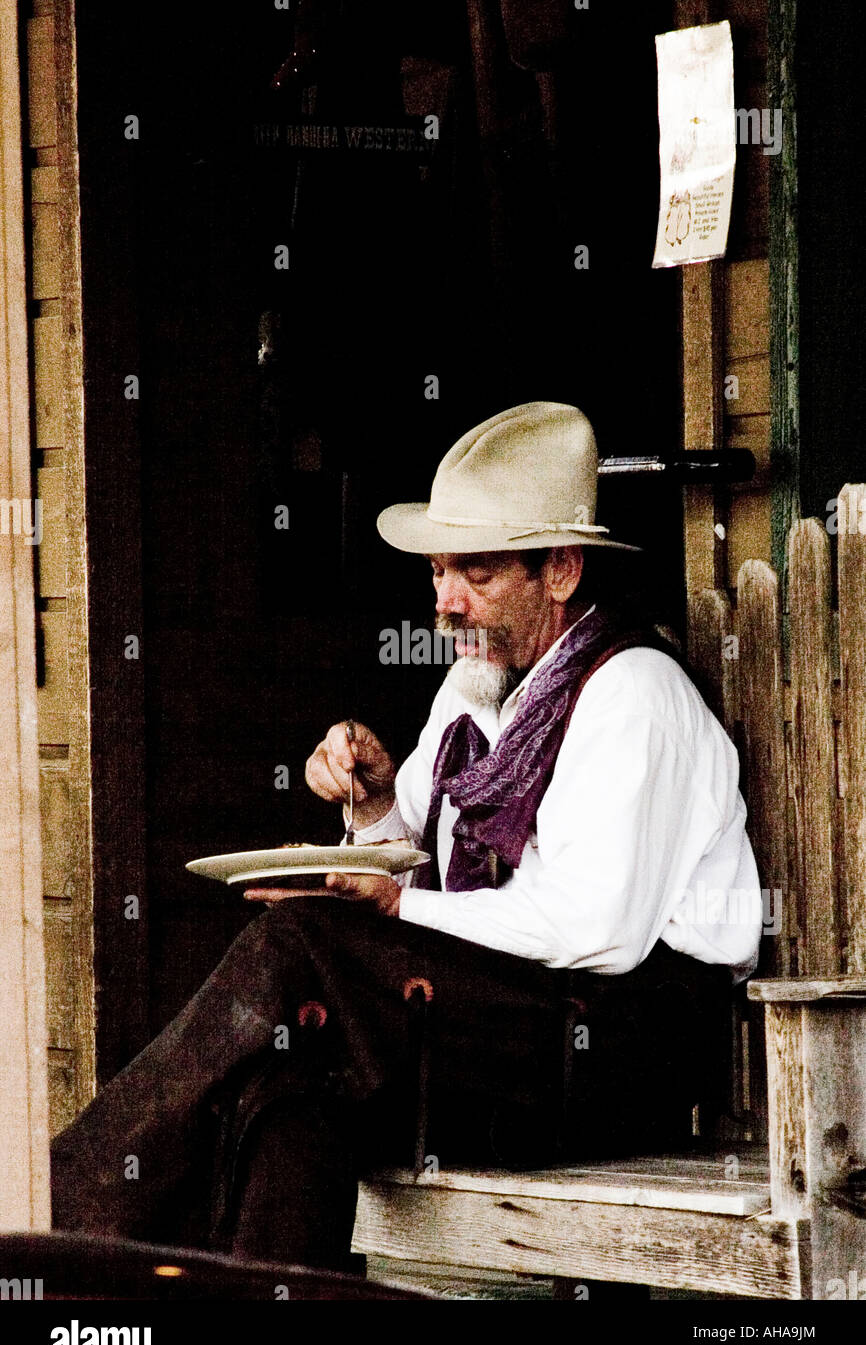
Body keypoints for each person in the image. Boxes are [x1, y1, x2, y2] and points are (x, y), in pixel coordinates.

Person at [50, 401, 762, 1277]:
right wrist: (379, 800)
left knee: (298, 939)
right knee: (284, 1098)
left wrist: (390, 902)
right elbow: (408, 853)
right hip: (497, 1032)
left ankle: (61, 1214)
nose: (444, 601)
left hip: (613, 1057)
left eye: (476, 572)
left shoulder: (635, 695)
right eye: (437, 572)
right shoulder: (474, 689)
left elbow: (595, 933)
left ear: (563, 569)